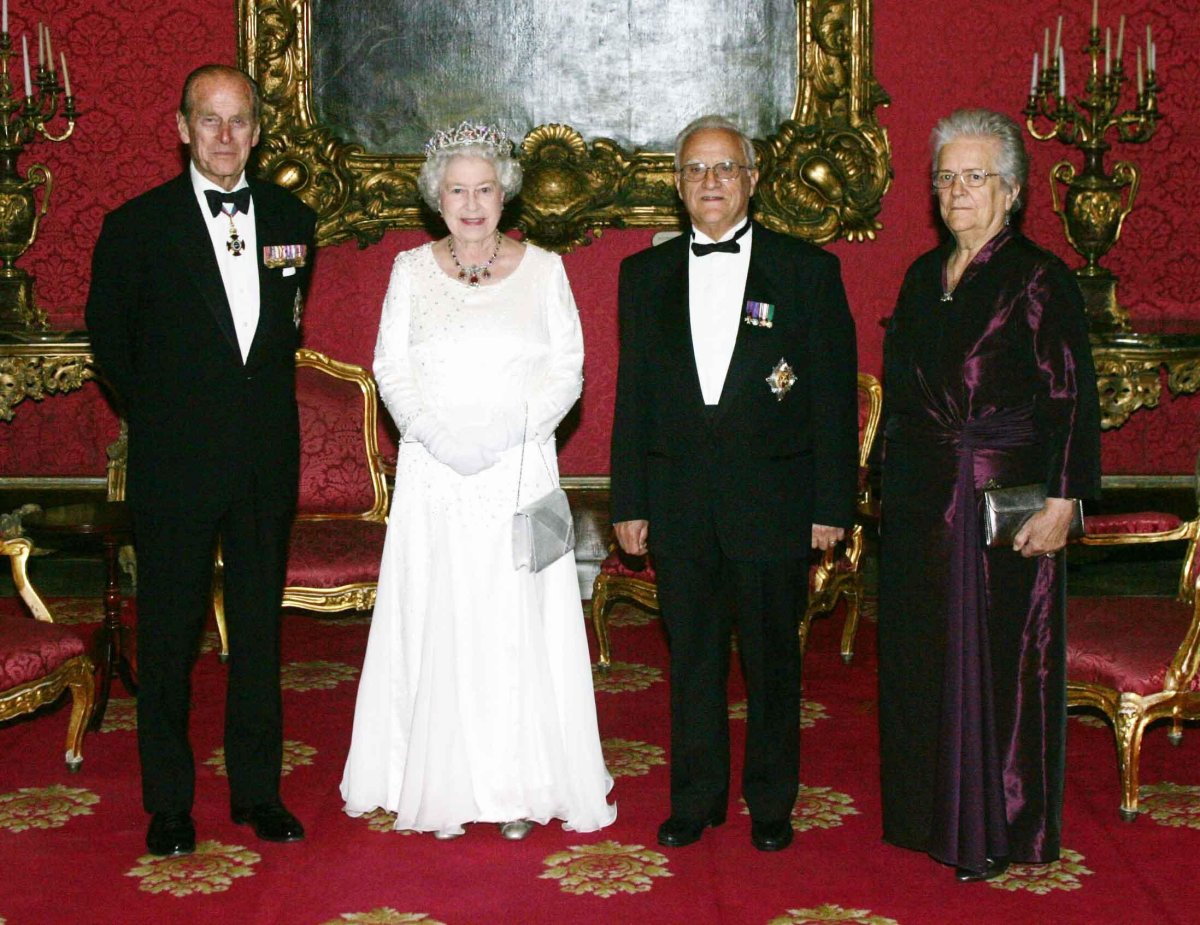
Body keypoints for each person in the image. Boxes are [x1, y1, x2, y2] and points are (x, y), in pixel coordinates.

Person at [339, 121, 616, 840]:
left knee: (521, 624)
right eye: (457, 189)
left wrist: (510, 433)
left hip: (524, 473)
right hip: (435, 476)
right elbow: (391, 369)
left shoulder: (546, 269)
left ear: (505, 195)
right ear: (437, 196)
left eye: (485, 189)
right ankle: (430, 777)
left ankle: (521, 783)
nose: (471, 203)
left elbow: (569, 370)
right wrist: (437, 438)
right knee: (440, 614)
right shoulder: (409, 270)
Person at [85, 64, 316, 857]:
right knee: (172, 633)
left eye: (239, 120)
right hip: (174, 463)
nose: (225, 136)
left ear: (257, 130)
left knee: (259, 635)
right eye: (209, 120)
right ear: (182, 127)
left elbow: (284, 331)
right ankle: (170, 803)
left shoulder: (293, 217)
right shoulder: (135, 226)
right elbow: (112, 344)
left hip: (264, 464)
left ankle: (258, 793)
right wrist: (170, 417)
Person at [609, 115, 858, 852]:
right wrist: (628, 500)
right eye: (695, 170)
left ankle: (772, 800)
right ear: (678, 185)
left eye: (724, 169)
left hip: (775, 505)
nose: (710, 183)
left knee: (773, 661)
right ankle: (696, 799)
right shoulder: (642, 275)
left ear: (752, 179)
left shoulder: (807, 270)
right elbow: (633, 397)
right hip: (680, 503)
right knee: (691, 661)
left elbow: (834, 400)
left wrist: (829, 506)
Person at [877, 108, 1101, 882]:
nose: (957, 190)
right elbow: (901, 399)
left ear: (1012, 191)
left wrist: (1064, 502)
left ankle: (996, 826)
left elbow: (1072, 398)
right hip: (916, 503)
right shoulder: (919, 275)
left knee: (1000, 666)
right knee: (916, 659)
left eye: (976, 176)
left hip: (998, 507)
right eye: (946, 177)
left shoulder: (1040, 278)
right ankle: (924, 814)